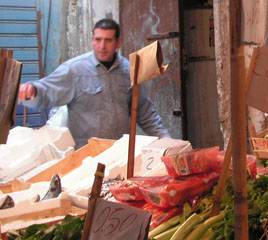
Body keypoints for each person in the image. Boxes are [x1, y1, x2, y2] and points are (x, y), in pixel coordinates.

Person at [18, 18, 170, 148]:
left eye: (108, 40)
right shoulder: (74, 70)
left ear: (118, 42)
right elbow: (46, 92)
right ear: (92, 40)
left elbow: (145, 113)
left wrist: (166, 140)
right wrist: (32, 90)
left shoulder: (129, 71)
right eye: (98, 40)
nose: (102, 46)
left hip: (119, 153)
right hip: (85, 157)